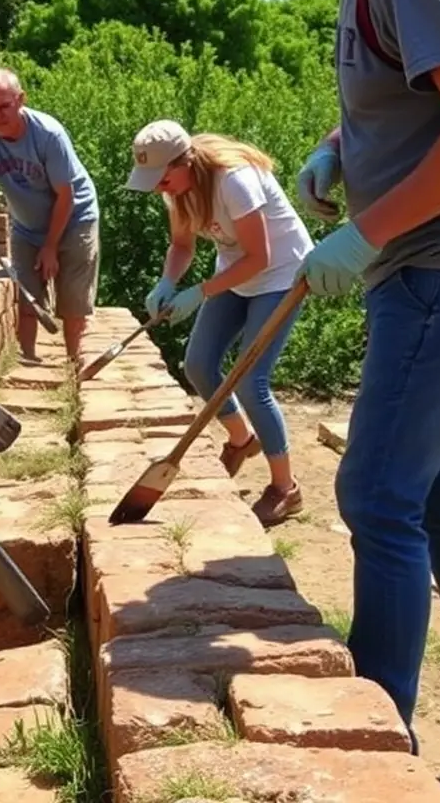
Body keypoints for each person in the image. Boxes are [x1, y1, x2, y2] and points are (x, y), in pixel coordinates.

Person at [197, 0, 440, 751]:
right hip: (417, 268)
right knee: (433, 494)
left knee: (374, 496)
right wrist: (339, 145)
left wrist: (366, 232)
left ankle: (375, 737)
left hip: (436, 270)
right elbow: (414, 96)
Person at [127, 119, 313, 526]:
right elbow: (181, 244)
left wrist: (200, 293)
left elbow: (260, 257)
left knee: (251, 379)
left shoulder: (234, 181)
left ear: (184, 163)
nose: (160, 188)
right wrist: (168, 281)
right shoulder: (177, 191)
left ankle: (286, 489)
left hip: (281, 276)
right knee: (197, 364)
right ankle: (242, 440)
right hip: (237, 273)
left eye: (162, 179)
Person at [0, 67, 100, 363]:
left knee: (73, 303)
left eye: (4, 106)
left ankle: (76, 369)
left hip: (75, 218)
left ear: (21, 99)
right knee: (27, 298)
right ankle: (30, 361)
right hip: (26, 224)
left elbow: (66, 195)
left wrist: (50, 247)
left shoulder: (48, 134)